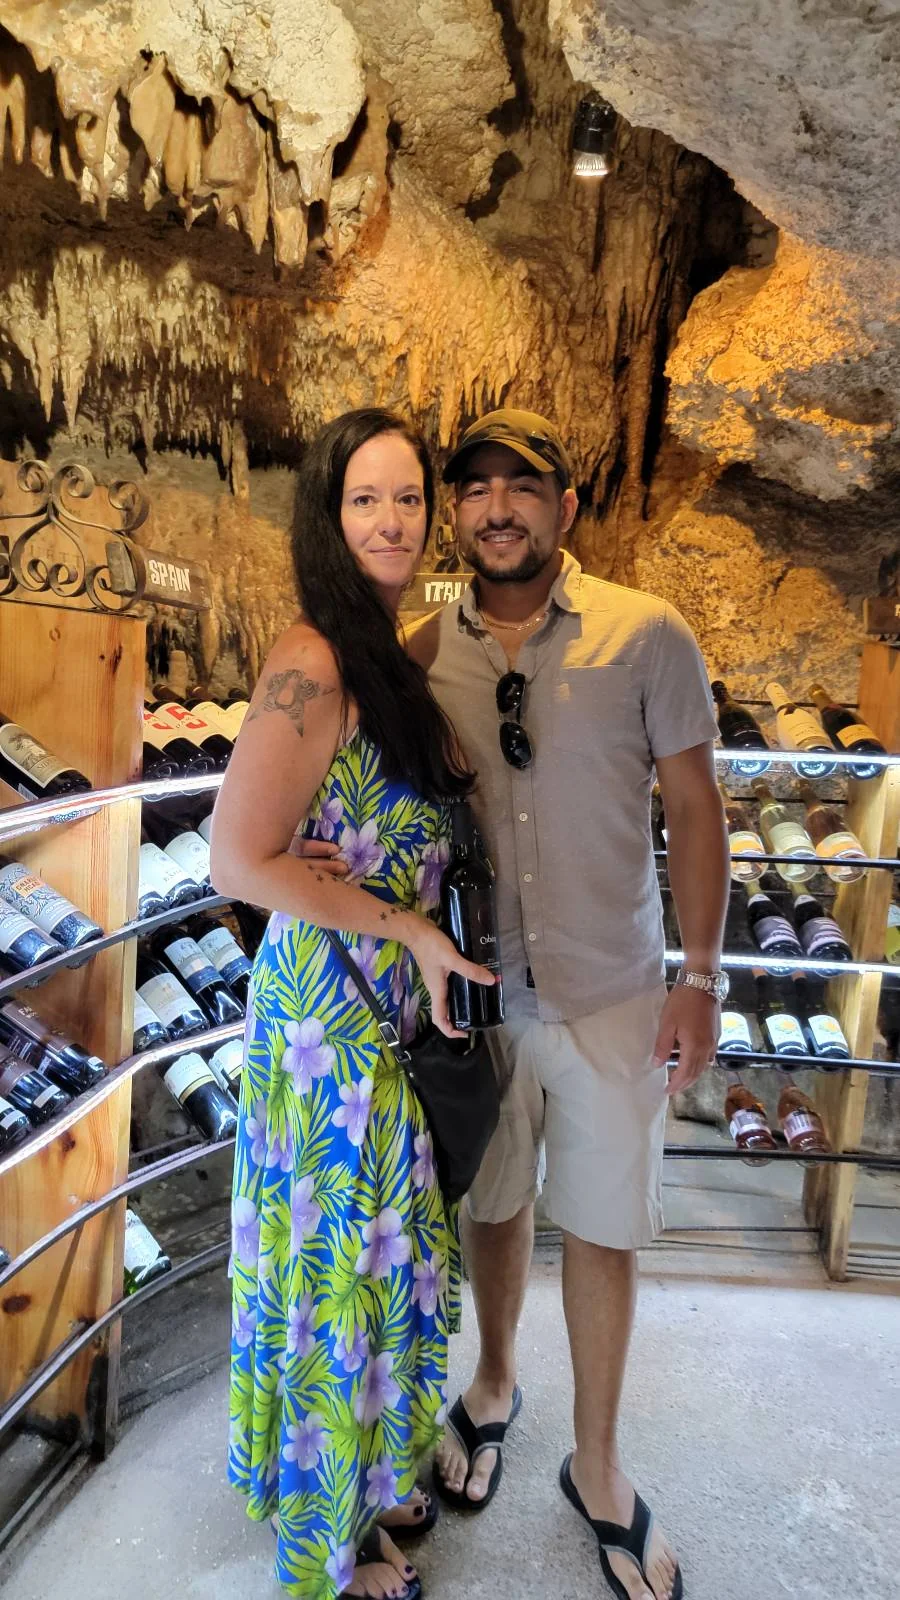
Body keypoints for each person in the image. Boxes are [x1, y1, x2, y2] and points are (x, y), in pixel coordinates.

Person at [406, 408, 731, 1600]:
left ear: (566, 508)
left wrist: (700, 977)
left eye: (523, 486)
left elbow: (697, 810)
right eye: (476, 488)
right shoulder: (416, 650)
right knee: (494, 1206)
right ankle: (494, 1384)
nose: (499, 507)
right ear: (458, 512)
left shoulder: (648, 636)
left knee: (600, 1225)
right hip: (480, 996)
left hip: (612, 991)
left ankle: (597, 1465)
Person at [210, 408, 495, 1600]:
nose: (392, 519)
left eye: (408, 498)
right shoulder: (313, 658)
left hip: (383, 1014)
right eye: (365, 499)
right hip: (334, 1023)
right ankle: (337, 1549)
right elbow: (234, 856)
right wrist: (410, 925)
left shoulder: (385, 647)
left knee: (384, 1262)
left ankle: (372, 1473)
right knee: (344, 1276)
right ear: (329, 518)